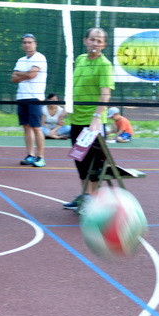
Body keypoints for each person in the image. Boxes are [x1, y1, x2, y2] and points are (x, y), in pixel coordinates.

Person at [63, 27, 114, 212]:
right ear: (86, 41)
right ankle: (85, 196)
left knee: (94, 164)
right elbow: (75, 87)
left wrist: (96, 117)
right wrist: (65, 109)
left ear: (104, 45)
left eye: (99, 41)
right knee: (80, 160)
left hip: (93, 122)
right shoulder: (80, 60)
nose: (95, 43)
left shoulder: (105, 65)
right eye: (92, 39)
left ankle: (93, 201)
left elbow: (105, 94)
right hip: (76, 118)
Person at [10, 33, 47, 167]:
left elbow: (32, 75)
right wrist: (24, 75)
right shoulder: (21, 60)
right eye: (25, 42)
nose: (27, 44)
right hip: (22, 97)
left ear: (35, 44)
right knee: (26, 127)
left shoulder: (40, 57)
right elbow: (13, 78)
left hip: (35, 97)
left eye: (29, 42)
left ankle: (41, 157)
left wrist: (21, 74)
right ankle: (30, 155)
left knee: (36, 127)